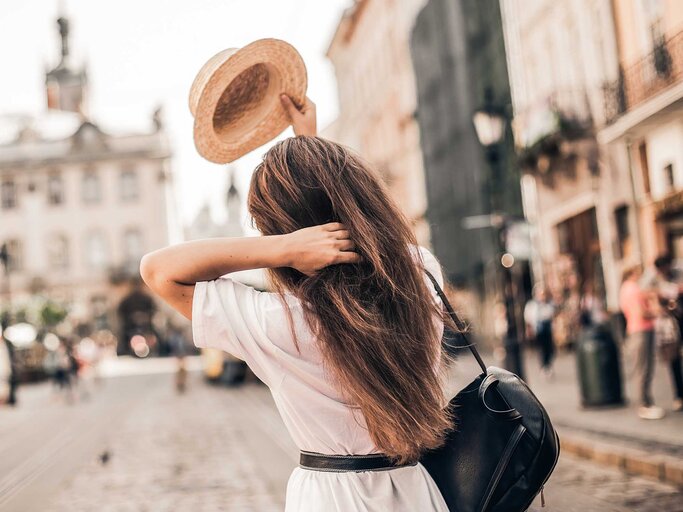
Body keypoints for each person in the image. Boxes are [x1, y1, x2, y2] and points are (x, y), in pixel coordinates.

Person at [140, 95, 451, 511]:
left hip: (330, 498)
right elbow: (361, 246)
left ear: (280, 230)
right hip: (416, 492)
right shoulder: (421, 274)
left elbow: (157, 270)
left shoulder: (279, 323)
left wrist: (282, 248)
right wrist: (315, 153)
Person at [619, 265, 665, 420]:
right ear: (631, 273)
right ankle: (644, 404)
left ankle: (646, 402)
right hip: (641, 330)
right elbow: (641, 313)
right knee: (643, 368)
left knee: (643, 367)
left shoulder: (625, 289)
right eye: (638, 271)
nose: (640, 274)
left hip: (635, 330)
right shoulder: (633, 289)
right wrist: (656, 312)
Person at [643, 255, 683, 412]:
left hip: (680, 317)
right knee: (673, 359)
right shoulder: (654, 277)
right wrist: (659, 292)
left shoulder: (678, 270)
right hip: (669, 324)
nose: (664, 271)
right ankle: (679, 395)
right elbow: (644, 288)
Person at [524, 285, 556, 378]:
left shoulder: (549, 304)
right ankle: (544, 366)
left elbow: (552, 315)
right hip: (538, 331)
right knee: (542, 349)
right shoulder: (532, 305)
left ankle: (548, 365)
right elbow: (528, 318)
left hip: (548, 330)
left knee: (549, 349)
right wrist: (529, 330)